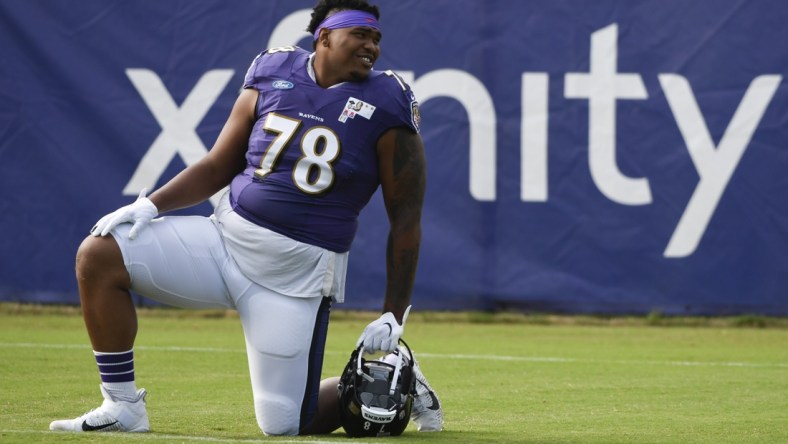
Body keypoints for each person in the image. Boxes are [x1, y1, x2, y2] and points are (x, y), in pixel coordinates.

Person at [49, 0, 443, 436]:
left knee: (286, 424)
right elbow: (220, 164)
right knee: (100, 256)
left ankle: (404, 379)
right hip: (223, 242)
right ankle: (122, 406)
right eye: (361, 35)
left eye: (376, 39)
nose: (372, 46)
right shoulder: (274, 70)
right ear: (325, 36)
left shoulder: (387, 100)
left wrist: (393, 312)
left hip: (294, 277)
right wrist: (152, 204)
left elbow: (405, 220)